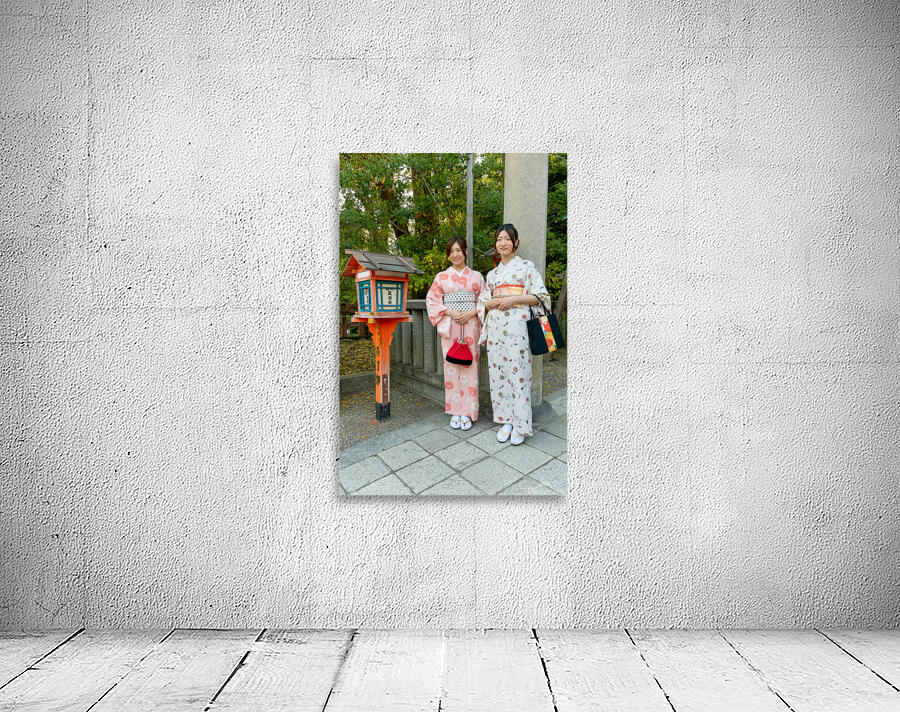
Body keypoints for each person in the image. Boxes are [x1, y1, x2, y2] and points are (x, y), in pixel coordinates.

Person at [477, 224, 551, 445]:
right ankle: (506, 420)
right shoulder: (492, 274)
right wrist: (489, 303)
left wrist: (513, 300)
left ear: (516, 242)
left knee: (519, 373)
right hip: (496, 328)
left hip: (518, 327)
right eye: (499, 239)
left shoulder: (526, 267)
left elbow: (540, 297)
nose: (503, 243)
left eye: (507, 239)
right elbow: (483, 301)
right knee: (498, 372)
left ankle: (521, 424)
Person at [425, 236, 485, 430]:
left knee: (470, 367)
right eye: (451, 251)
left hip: (471, 324)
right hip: (450, 325)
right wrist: (449, 312)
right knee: (451, 366)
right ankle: (455, 411)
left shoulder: (477, 277)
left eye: (458, 250)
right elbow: (432, 300)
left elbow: (484, 301)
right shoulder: (441, 277)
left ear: (466, 251)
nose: (455, 254)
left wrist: (471, 312)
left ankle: (468, 412)